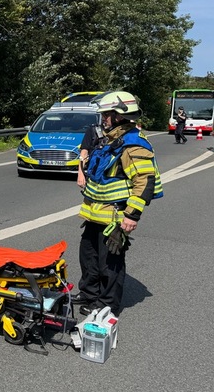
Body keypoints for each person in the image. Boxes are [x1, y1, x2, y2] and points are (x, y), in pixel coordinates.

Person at [74, 91, 163, 316]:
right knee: (88, 256)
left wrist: (132, 215)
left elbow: (144, 180)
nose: (103, 118)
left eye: (106, 114)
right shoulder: (111, 139)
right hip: (95, 214)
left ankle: (106, 305)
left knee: (110, 263)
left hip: (115, 216)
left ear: (119, 115)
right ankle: (89, 294)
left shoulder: (133, 144)